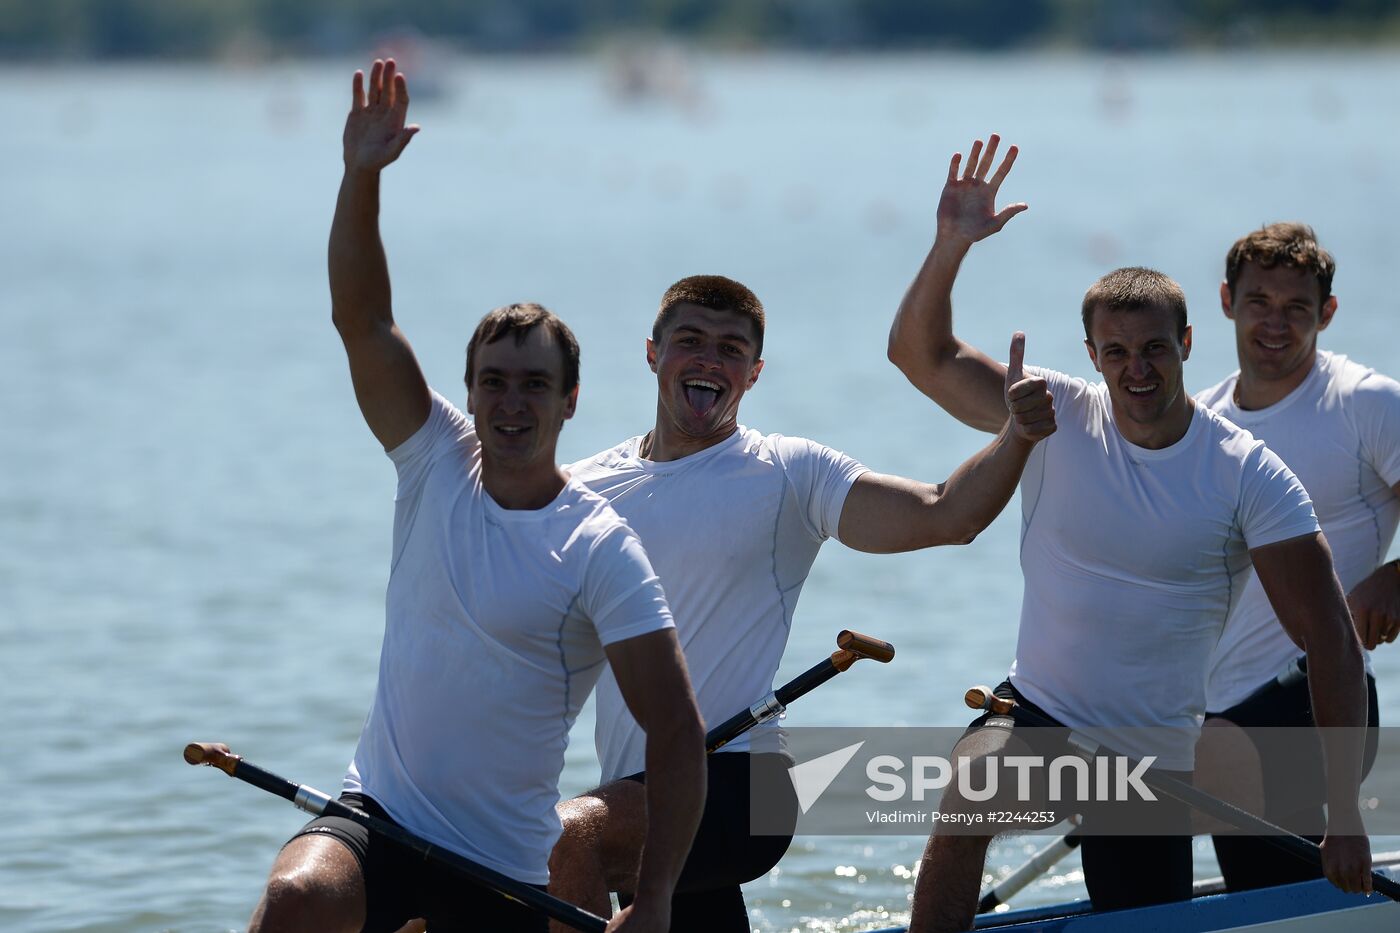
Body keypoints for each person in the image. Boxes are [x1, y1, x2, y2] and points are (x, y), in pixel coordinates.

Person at [246, 60, 706, 933]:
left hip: (496, 865)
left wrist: (653, 900)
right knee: (298, 896)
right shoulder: (434, 461)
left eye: (535, 385)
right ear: (468, 392)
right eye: (493, 382)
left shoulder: (601, 548)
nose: (512, 401)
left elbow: (677, 734)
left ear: (571, 400)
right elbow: (363, 321)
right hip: (375, 821)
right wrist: (359, 176)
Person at [886, 135, 1374, 933]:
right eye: (1115, 353)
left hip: (1151, 764)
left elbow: (1329, 636)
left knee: (1146, 916)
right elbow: (919, 354)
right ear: (1091, 355)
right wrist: (950, 246)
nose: (1135, 370)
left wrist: (1345, 813)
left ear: (1186, 343)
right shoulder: (1048, 413)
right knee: (968, 786)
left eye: (1154, 349)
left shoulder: (1247, 472)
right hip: (1039, 718)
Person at [546, 270, 1057, 931]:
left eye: (731, 348)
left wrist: (1015, 434)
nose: (709, 359)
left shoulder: (789, 473)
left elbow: (945, 514)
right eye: (691, 340)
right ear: (653, 354)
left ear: (754, 373)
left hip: (741, 785)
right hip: (641, 786)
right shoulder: (583, 489)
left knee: (567, 839)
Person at [1196, 222, 1400, 891]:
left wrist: (1396, 576)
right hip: (1220, 707)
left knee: (1217, 752)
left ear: (1328, 313)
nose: (1275, 324)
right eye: (1259, 303)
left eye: (1297, 309)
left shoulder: (1365, 403)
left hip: (1326, 696)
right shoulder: (1203, 421)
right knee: (1264, 897)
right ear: (1227, 300)